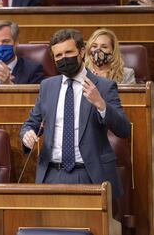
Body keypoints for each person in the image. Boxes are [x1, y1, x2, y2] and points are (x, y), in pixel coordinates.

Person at [20, 29, 131, 198]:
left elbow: (124, 129)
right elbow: (31, 124)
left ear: (81, 51)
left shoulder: (103, 86)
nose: (64, 58)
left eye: (69, 52)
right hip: (51, 174)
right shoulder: (47, 87)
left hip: (89, 173)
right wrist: (27, 134)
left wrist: (101, 104)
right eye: (58, 56)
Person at [0, 20, 44, 84]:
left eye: (5, 41)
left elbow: (35, 99)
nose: (1, 46)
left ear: (16, 43)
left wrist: (9, 85)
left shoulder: (33, 70)